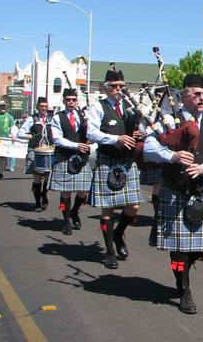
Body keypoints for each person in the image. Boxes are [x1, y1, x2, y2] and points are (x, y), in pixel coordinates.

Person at [144, 74, 203, 314]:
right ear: (183, 96)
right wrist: (173, 156)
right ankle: (184, 289)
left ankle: (183, 274)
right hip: (174, 189)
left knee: (201, 248)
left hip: (201, 190)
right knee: (178, 246)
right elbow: (150, 147)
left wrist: (202, 168)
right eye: (196, 93)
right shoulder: (169, 119)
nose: (201, 98)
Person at [86, 67, 145, 270]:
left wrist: (139, 135)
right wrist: (116, 139)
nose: (118, 89)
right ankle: (110, 250)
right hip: (108, 160)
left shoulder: (128, 107)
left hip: (128, 162)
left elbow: (141, 129)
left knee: (134, 205)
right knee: (108, 209)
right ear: (106, 88)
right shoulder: (98, 107)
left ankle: (119, 233)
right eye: (114, 86)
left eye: (121, 86)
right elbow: (92, 133)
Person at [49, 88, 92, 235]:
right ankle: (66, 220)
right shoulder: (57, 118)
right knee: (66, 192)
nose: (71, 102)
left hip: (81, 157)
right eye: (68, 100)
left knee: (84, 191)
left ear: (77, 100)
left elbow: (90, 134)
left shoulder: (83, 115)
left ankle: (74, 211)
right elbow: (56, 139)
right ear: (64, 101)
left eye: (73, 99)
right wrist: (75, 145)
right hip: (65, 156)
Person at [18, 97, 54, 211]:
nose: (43, 108)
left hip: (49, 151)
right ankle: (38, 203)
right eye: (41, 106)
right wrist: (28, 136)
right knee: (37, 177)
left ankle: (44, 195)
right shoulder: (31, 119)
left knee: (48, 176)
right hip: (35, 150)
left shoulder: (51, 119)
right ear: (37, 107)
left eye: (45, 106)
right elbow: (20, 132)